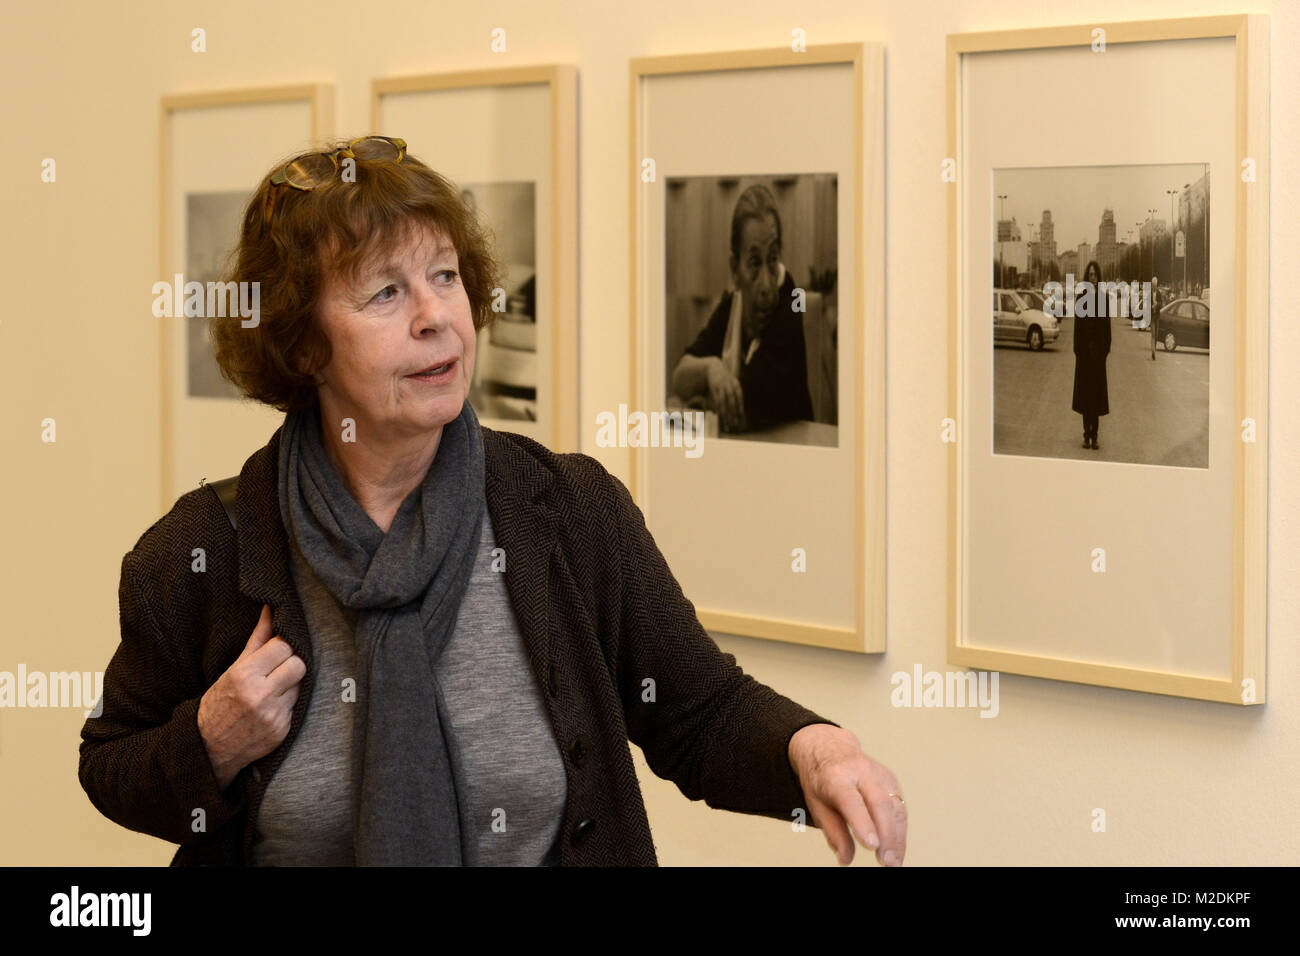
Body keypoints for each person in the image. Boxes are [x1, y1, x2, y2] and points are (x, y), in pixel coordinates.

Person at [78, 136, 906, 867]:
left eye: (445, 276)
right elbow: (111, 765)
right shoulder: (201, 551)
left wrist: (812, 748)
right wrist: (208, 744)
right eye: (385, 294)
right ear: (302, 344)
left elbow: (699, 713)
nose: (438, 316)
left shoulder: (567, 510)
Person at [669, 184, 815, 432]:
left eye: (772, 260)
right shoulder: (732, 306)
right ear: (734, 268)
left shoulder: (792, 301)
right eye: (755, 263)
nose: (767, 283)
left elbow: (743, 408)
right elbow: (679, 377)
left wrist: (697, 400)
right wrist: (711, 368)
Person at [1072, 260, 1111, 450]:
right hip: (1084, 356)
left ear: (1098, 277)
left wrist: (1104, 351)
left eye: (1095, 275)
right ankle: (1085, 434)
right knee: (1085, 396)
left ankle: (1094, 435)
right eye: (1090, 275)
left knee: (1095, 397)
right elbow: (1077, 328)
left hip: (1098, 357)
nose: (1093, 278)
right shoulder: (1081, 298)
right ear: (1087, 277)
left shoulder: (1103, 299)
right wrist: (1078, 350)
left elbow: (1107, 328)